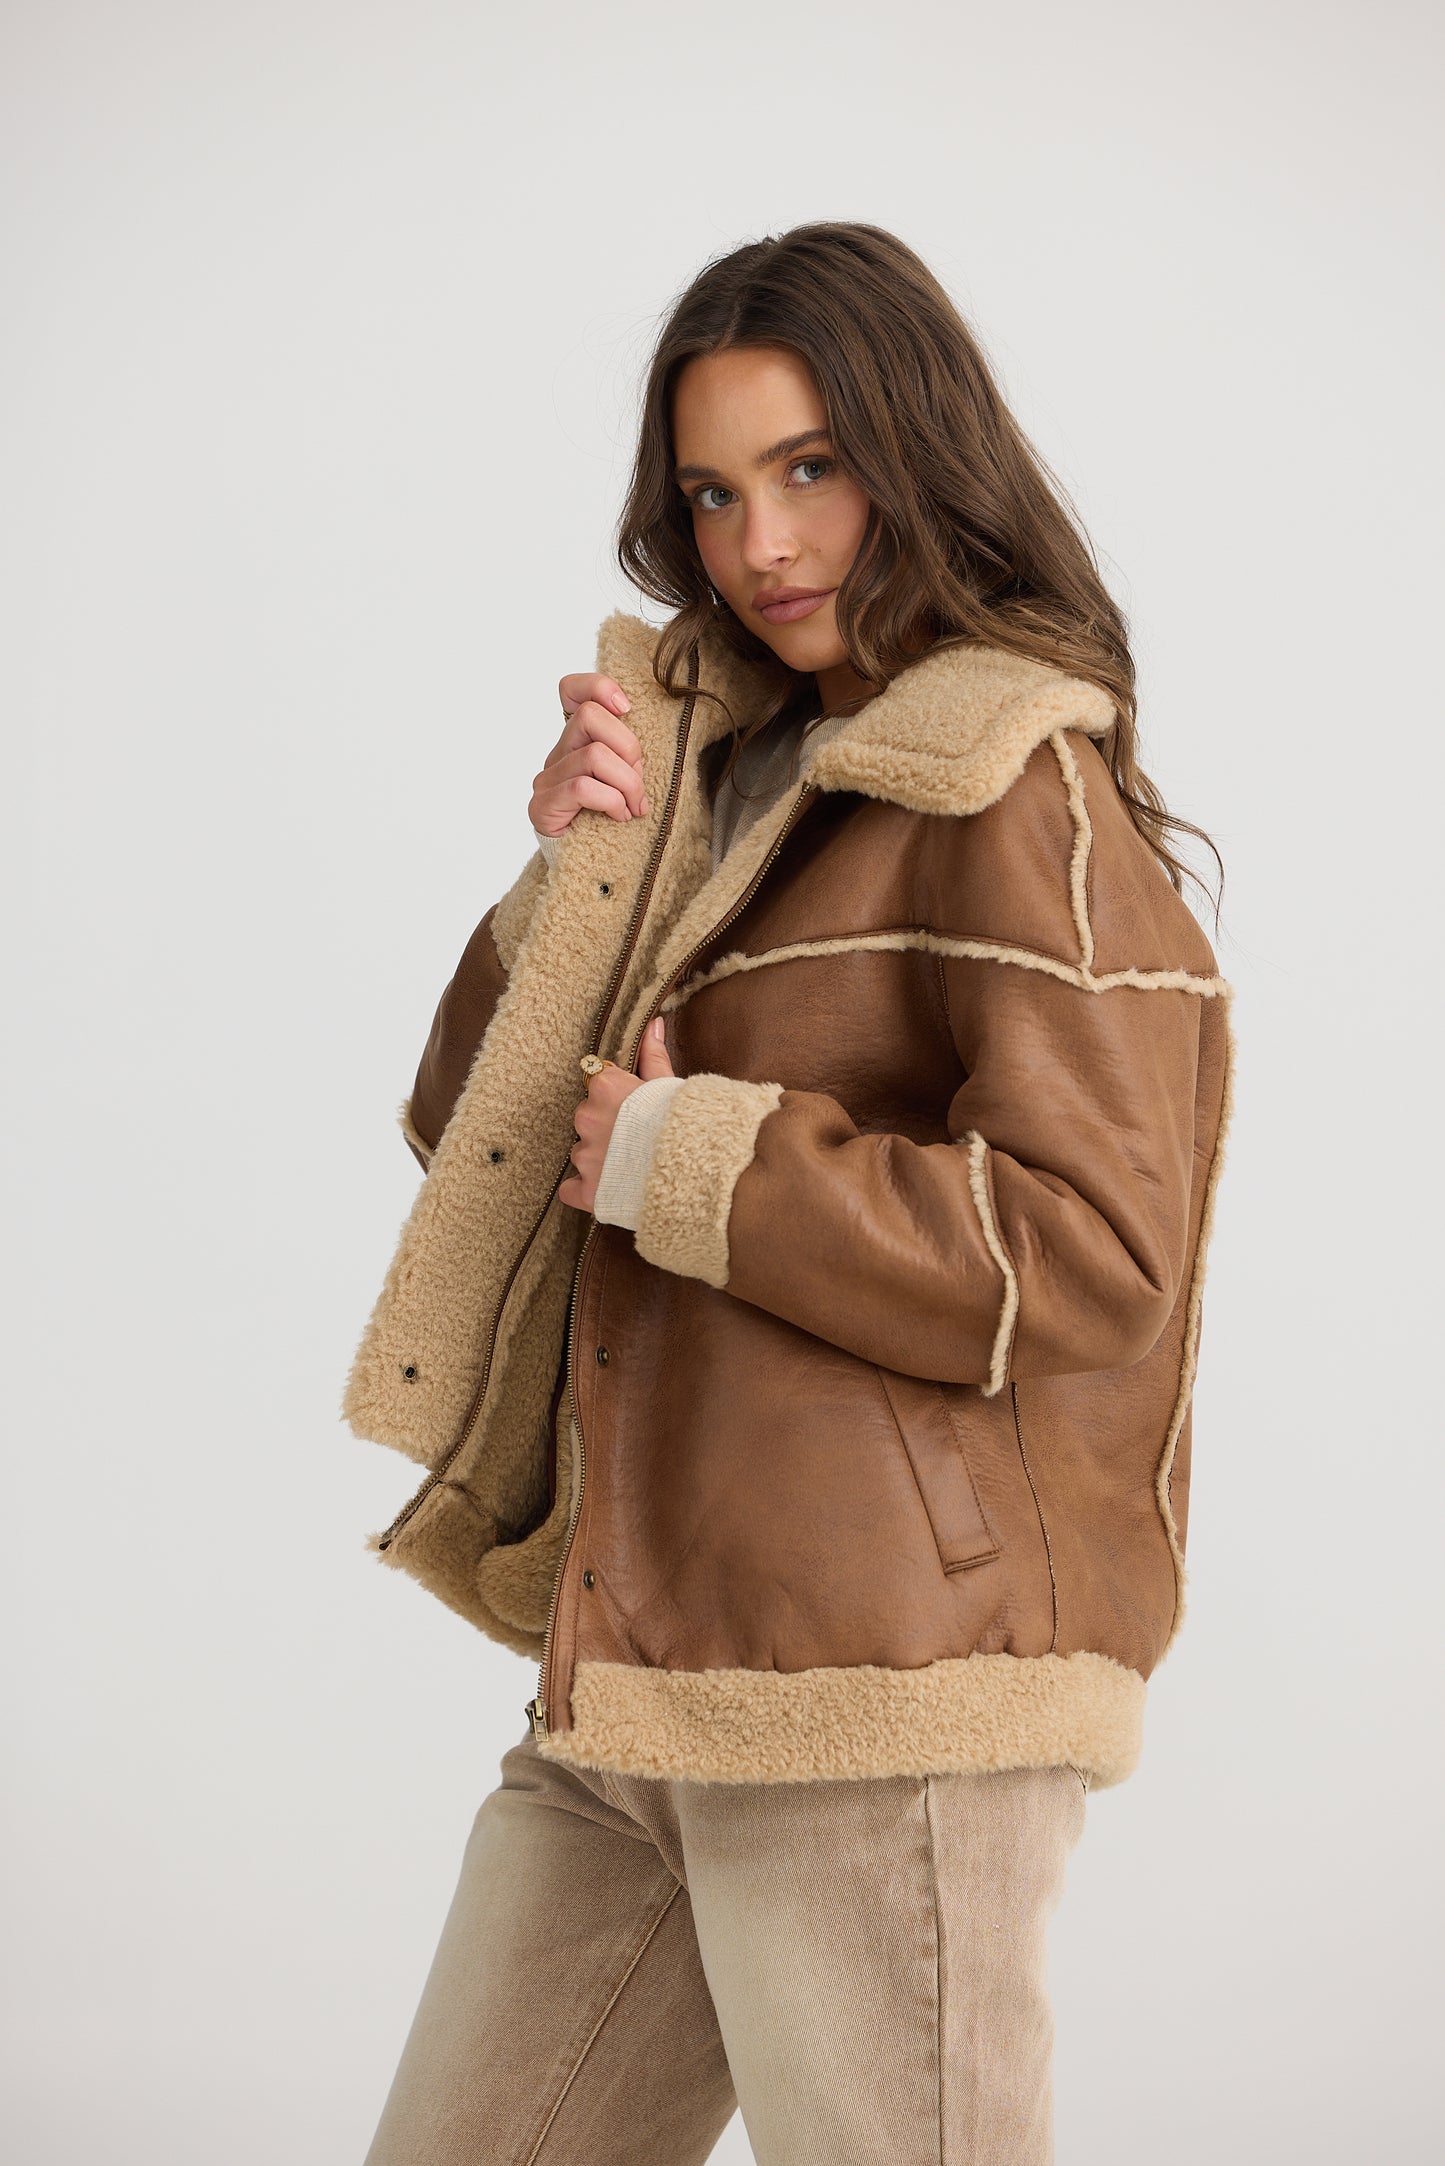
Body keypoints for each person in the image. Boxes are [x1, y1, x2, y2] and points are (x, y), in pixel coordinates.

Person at [347, 221, 1235, 2166]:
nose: (763, 542)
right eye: (713, 493)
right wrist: (577, 870)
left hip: (884, 1694)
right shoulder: (738, 772)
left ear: (917, 450)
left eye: (811, 467)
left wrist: (695, 1162)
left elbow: (1096, 1257)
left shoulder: (1006, 777)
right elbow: (469, 1139)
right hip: (645, 1676)